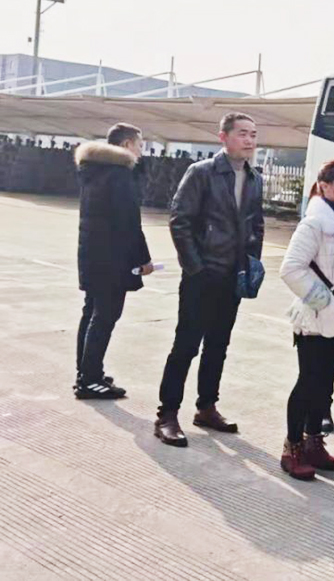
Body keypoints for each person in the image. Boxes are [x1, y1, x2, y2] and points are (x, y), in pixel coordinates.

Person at [155, 113, 263, 447]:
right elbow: (180, 220)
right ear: (223, 137)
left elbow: (256, 223)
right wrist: (195, 268)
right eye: (242, 133)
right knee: (186, 345)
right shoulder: (201, 172)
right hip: (203, 275)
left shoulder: (254, 178)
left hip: (233, 276)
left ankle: (206, 407)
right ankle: (167, 414)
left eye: (253, 134)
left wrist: (251, 263)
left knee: (218, 344)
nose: (249, 140)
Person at [278, 160, 334, 480]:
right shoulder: (314, 223)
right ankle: (292, 447)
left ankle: (314, 441)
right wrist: (323, 301)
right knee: (308, 383)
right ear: (325, 186)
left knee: (325, 384)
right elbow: (291, 268)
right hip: (315, 320)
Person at [73, 123, 153, 399]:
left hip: (93, 253)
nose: (141, 152)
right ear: (127, 144)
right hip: (113, 258)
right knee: (105, 316)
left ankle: (86, 372)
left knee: (91, 312)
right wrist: (144, 259)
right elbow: (129, 222)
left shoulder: (94, 170)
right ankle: (90, 379)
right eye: (140, 145)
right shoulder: (119, 175)